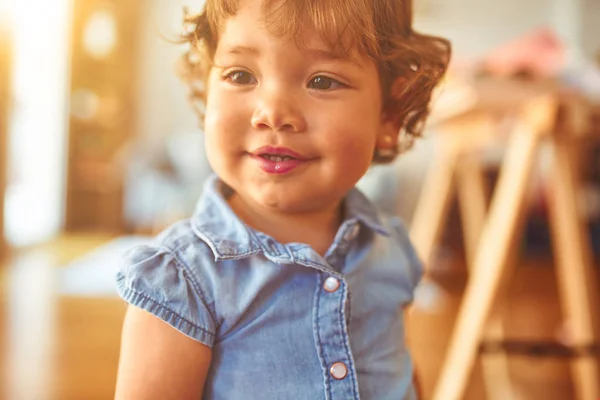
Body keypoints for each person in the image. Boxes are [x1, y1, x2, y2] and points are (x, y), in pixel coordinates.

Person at [114, 0, 450, 398]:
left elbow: (399, 376)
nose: (272, 113)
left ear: (388, 118)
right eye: (241, 75)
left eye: (322, 81)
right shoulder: (183, 280)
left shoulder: (388, 247)